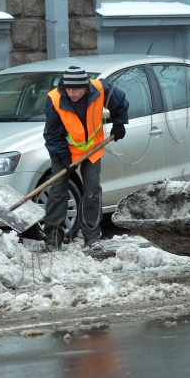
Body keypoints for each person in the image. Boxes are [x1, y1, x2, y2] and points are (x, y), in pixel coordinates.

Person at [43, 65, 129, 255]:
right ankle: (53, 240)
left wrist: (119, 122)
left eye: (76, 89)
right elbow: (52, 135)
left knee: (91, 190)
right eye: (68, 88)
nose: (72, 93)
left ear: (86, 86)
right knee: (58, 191)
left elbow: (120, 101)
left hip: (92, 149)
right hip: (64, 151)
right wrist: (63, 156)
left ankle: (92, 237)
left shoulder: (100, 89)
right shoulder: (55, 99)